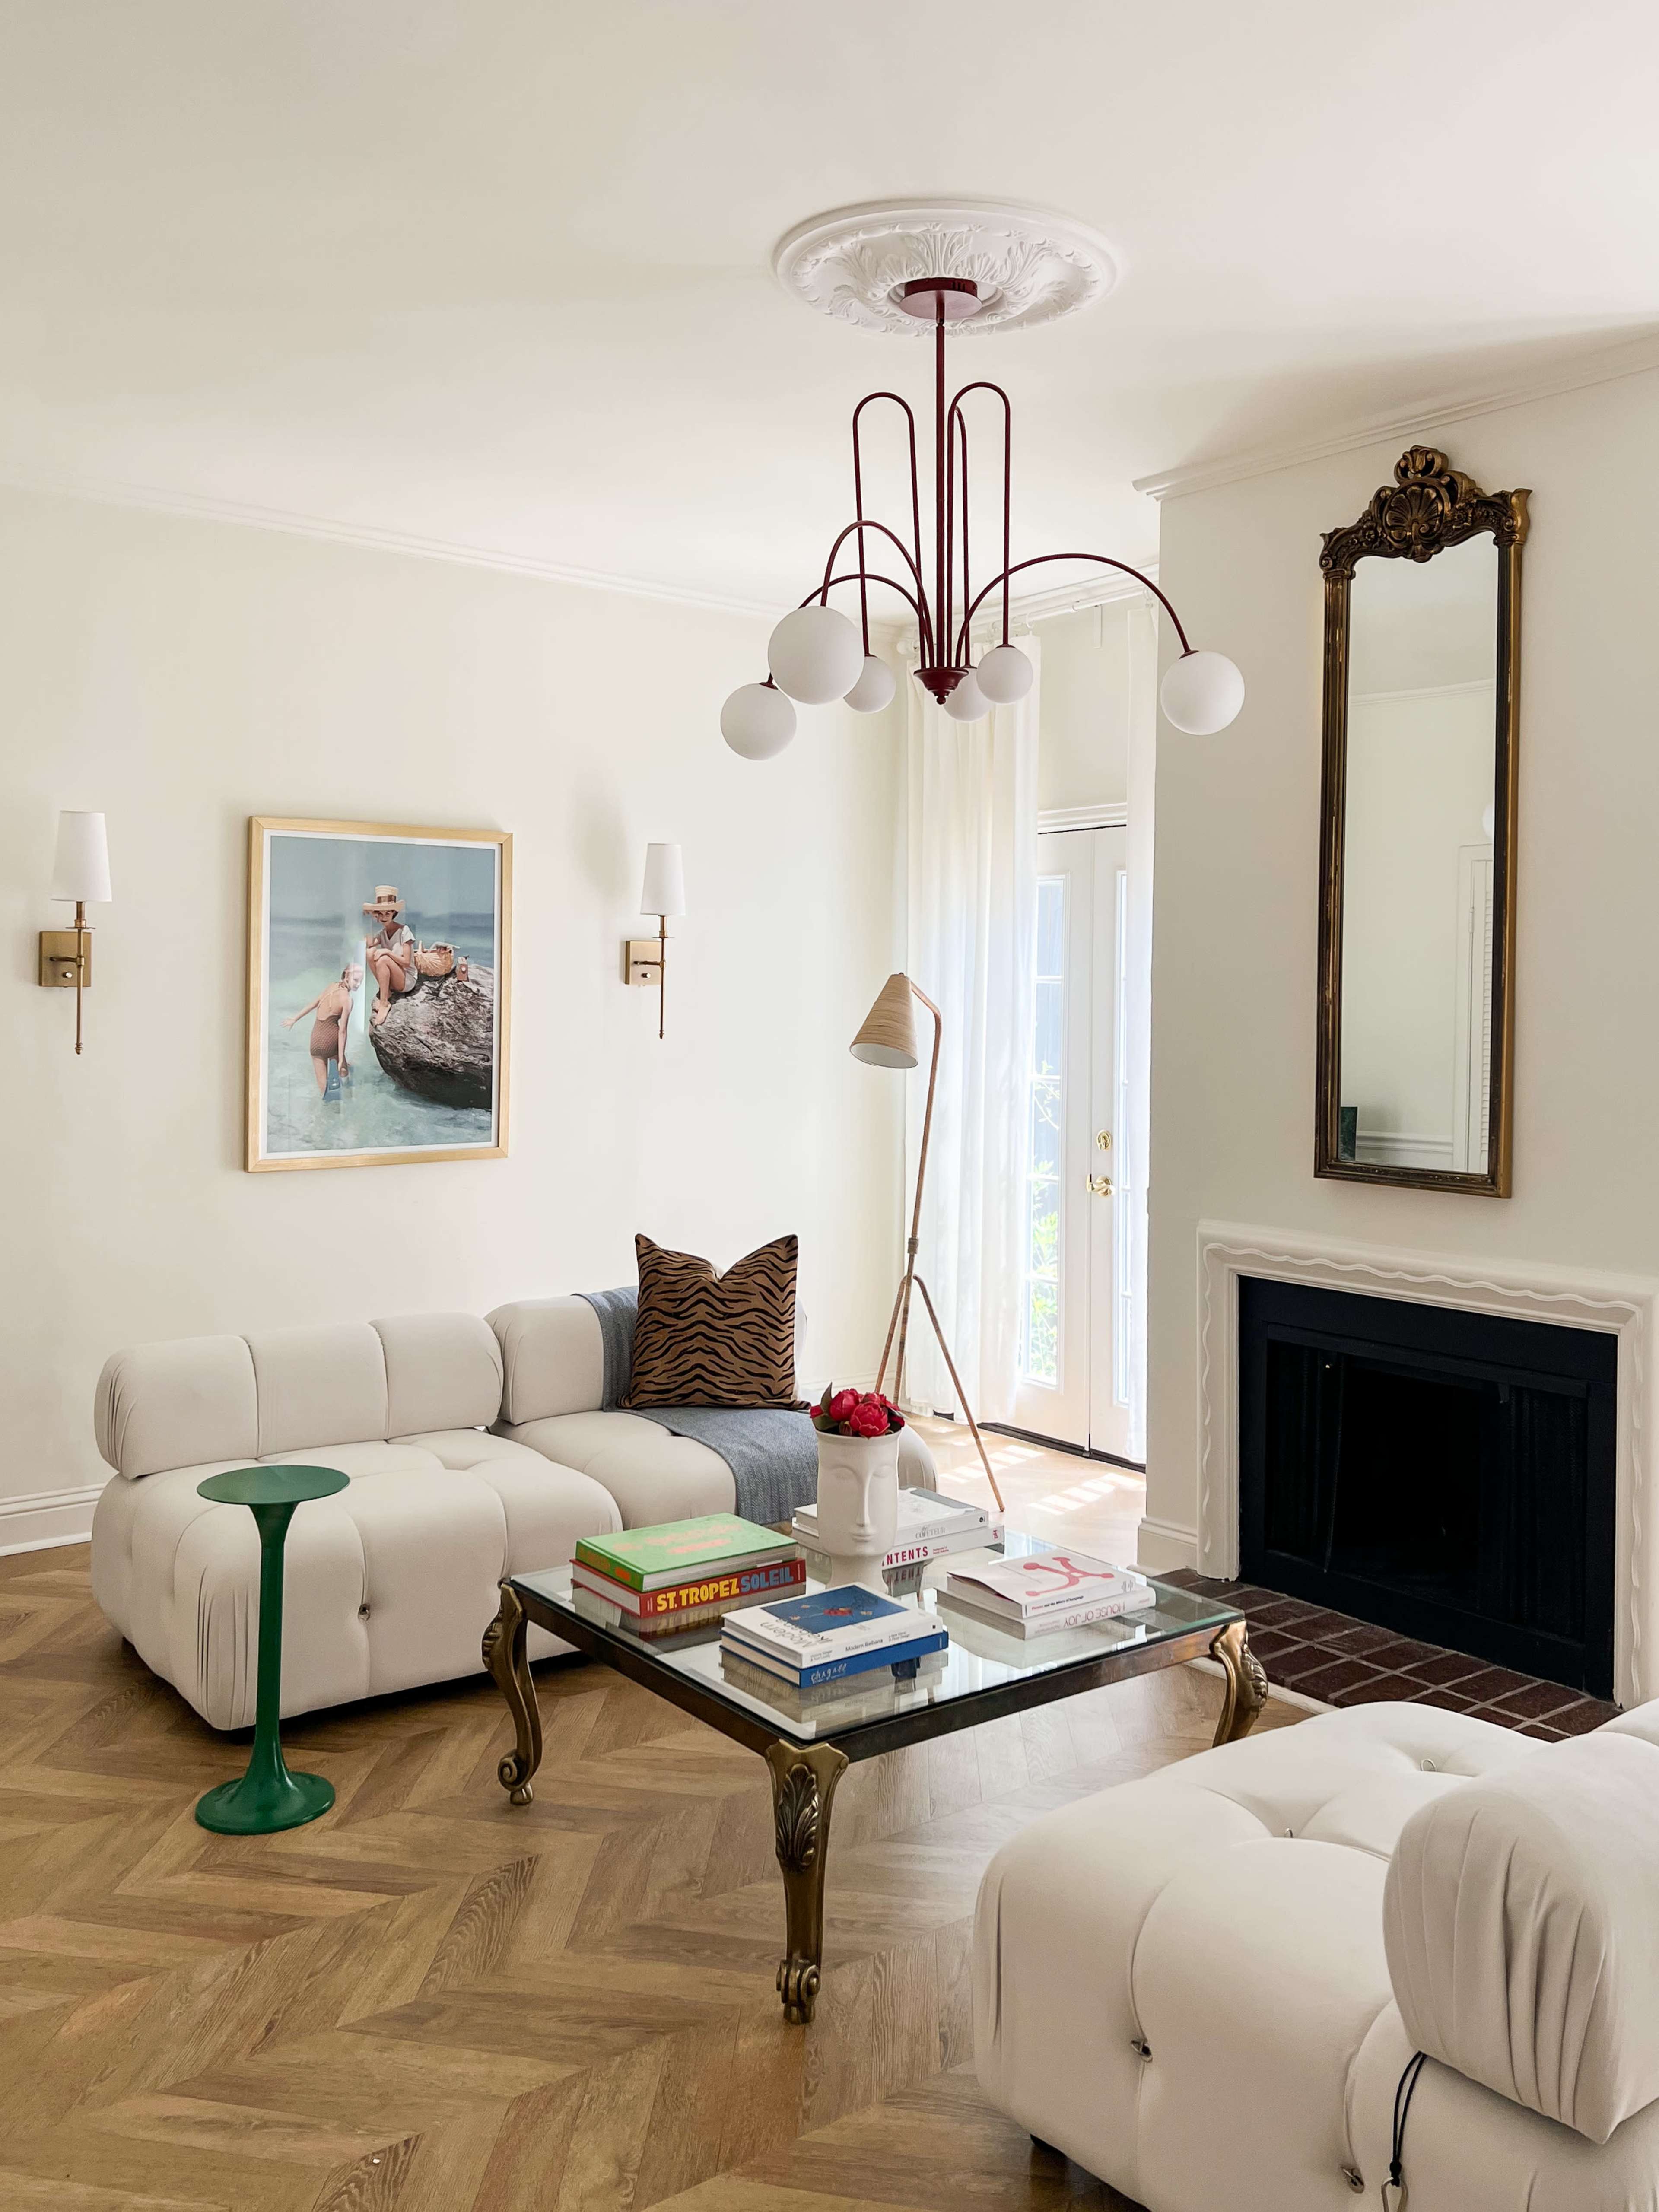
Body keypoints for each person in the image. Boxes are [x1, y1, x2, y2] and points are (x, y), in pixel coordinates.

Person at [283, 963, 362, 1097]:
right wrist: (341, 1058)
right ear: (347, 977)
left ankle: (325, 1102)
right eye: (356, 980)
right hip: (331, 1040)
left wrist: (294, 1019)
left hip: (315, 1040)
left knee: (323, 1088)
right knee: (343, 1070)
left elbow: (313, 1004)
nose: (359, 984)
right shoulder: (348, 1000)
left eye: (361, 981)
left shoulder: (331, 986)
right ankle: (348, 1092)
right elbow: (342, 1031)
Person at [362, 885, 417, 1027]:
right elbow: (369, 944)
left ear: (394, 913)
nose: (384, 917)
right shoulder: (382, 934)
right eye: (381, 914)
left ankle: (384, 1003)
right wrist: (369, 920)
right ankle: (386, 991)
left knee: (384, 959)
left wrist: (387, 952)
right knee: (370, 953)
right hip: (393, 978)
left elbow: (406, 962)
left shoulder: (404, 931)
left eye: (388, 913)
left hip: (407, 979)